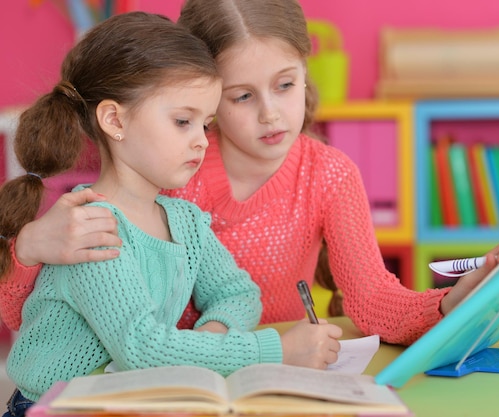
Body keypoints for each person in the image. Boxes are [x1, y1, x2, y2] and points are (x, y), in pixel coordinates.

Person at [0, 0, 499, 347]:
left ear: (306, 71)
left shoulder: (328, 174)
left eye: (285, 85)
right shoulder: (167, 172)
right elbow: (37, 324)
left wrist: (450, 302)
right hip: (182, 383)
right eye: (242, 96)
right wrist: (27, 251)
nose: (271, 114)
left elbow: (374, 302)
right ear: (201, 93)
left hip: (285, 377)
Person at [0, 11, 341, 417]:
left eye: (206, 124)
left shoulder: (184, 220)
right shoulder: (92, 228)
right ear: (114, 120)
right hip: (53, 408)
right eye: (183, 121)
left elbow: (238, 293)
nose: (201, 142)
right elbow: (143, 348)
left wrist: (213, 336)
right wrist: (276, 350)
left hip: (120, 402)